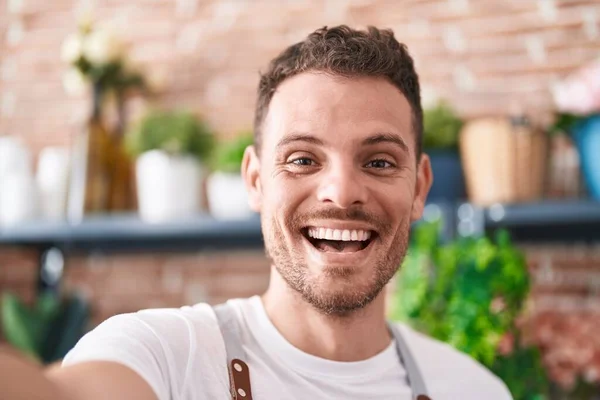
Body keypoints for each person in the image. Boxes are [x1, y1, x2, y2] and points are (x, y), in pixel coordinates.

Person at [0, 25, 512, 400]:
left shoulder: (474, 390)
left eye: (378, 161)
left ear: (420, 186)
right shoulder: (164, 355)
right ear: (254, 180)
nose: (340, 191)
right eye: (302, 159)